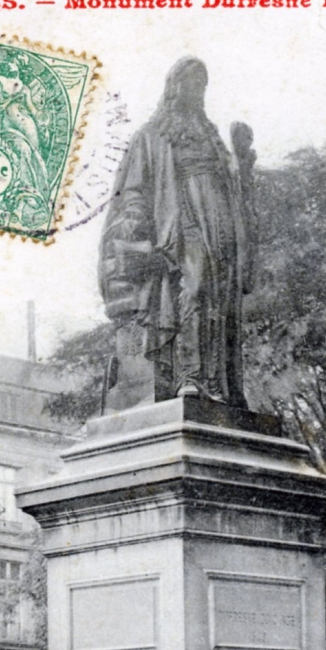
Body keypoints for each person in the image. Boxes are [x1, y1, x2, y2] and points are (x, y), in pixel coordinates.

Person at [99, 57, 255, 406]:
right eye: (191, 81)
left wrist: (242, 160)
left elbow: (231, 181)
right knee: (194, 287)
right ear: (174, 86)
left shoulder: (211, 135)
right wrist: (136, 221)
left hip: (218, 223)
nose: (197, 88)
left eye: (203, 82)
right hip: (179, 222)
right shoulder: (152, 135)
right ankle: (189, 376)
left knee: (220, 297)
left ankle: (220, 383)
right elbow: (135, 188)